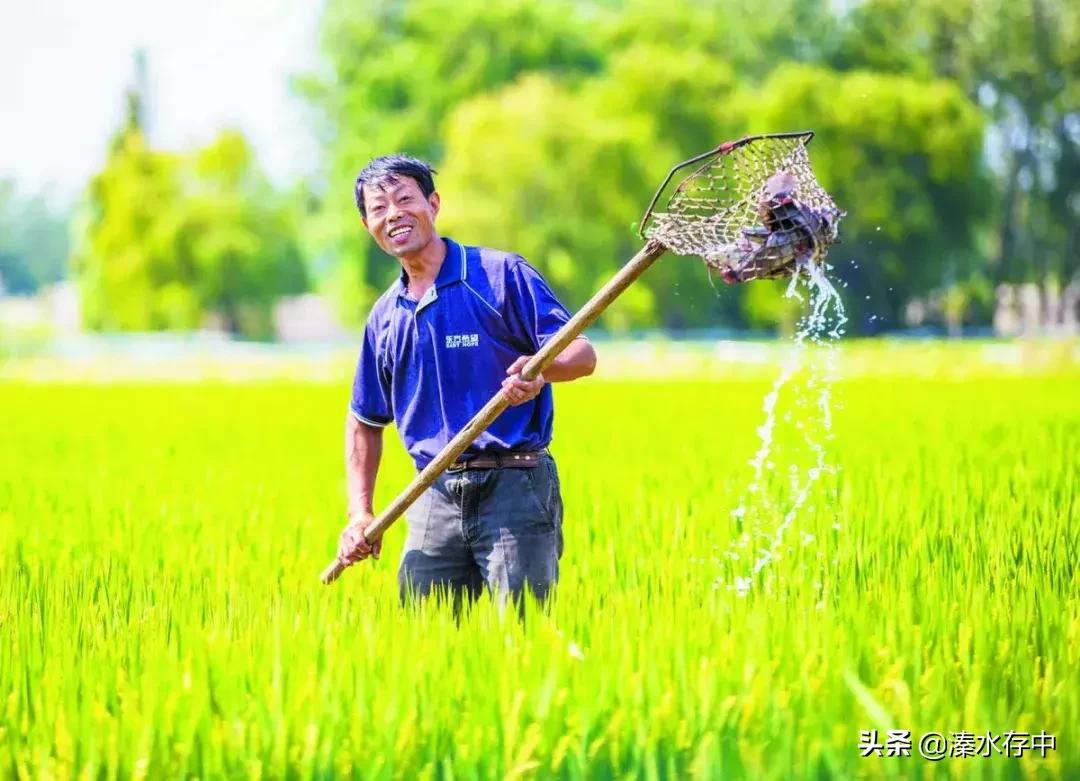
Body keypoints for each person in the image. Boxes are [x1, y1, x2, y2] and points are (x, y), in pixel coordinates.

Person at [336, 154, 597, 613]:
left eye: (405, 199)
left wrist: (539, 372)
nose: (393, 214)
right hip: (431, 494)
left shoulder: (499, 275)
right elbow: (364, 421)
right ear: (367, 225)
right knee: (426, 639)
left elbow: (582, 355)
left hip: (514, 486)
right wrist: (360, 513)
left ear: (433, 204)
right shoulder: (384, 316)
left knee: (522, 632)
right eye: (379, 208)